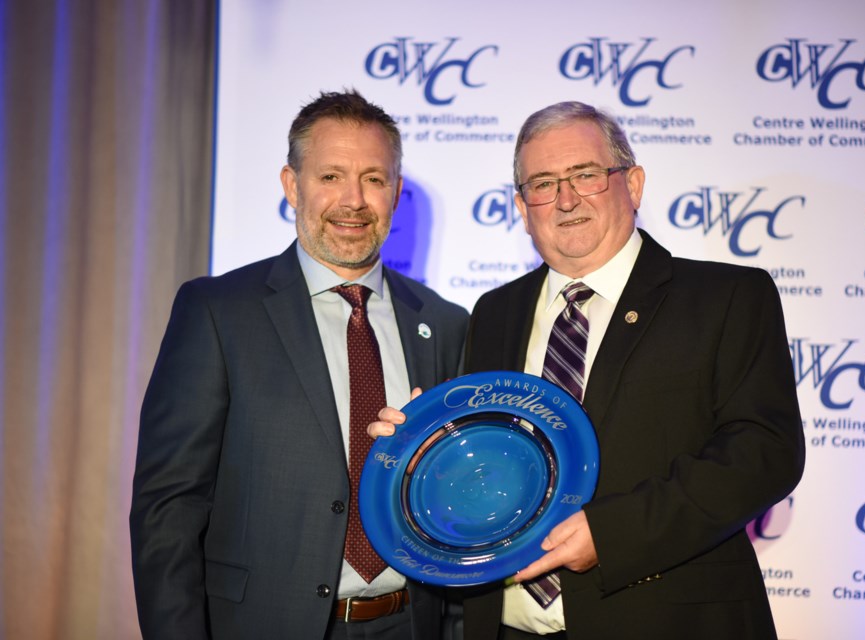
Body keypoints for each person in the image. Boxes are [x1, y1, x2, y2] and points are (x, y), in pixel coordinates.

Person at [371, 101, 804, 639]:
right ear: (521, 207)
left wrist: (612, 534)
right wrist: (418, 456)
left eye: (586, 175)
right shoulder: (494, 312)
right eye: (543, 183)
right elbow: (491, 462)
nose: (566, 198)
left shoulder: (726, 297)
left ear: (634, 184)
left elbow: (764, 453)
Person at [130, 90, 469, 640]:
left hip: (410, 624)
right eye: (330, 176)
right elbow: (169, 508)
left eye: (374, 179)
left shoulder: (445, 322)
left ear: (396, 193)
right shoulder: (218, 312)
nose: (353, 201)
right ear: (292, 185)